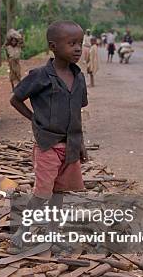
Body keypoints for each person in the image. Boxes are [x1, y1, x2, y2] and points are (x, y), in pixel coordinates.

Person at [9, 21, 88, 252]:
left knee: (59, 193)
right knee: (42, 193)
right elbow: (15, 99)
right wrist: (34, 118)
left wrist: (81, 143)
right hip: (48, 145)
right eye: (71, 43)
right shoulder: (41, 75)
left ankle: (53, 235)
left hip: (70, 147)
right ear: (53, 46)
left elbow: (77, 113)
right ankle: (22, 231)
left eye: (80, 44)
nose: (77, 49)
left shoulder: (79, 77)